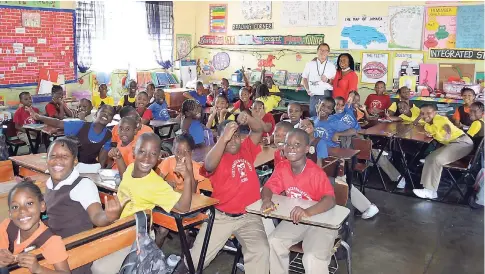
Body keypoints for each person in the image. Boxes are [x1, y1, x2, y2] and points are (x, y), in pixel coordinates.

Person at [189, 112, 269, 274]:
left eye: (236, 136)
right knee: (194, 261)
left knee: (261, 251)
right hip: (221, 217)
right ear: (219, 137)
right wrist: (224, 138)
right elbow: (209, 165)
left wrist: (248, 118)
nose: (233, 140)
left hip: (250, 216)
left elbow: (258, 130)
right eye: (228, 137)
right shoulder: (216, 156)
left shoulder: (246, 148)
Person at [44, 137, 125, 274]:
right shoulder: (50, 183)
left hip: (75, 252)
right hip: (54, 246)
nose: (58, 160)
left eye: (65, 156)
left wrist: (108, 216)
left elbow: (96, 216)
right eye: (53, 156)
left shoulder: (83, 185)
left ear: (75, 161)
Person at [262, 128, 337, 274]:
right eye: (288, 144)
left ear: (307, 149)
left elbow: (330, 200)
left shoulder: (315, 173)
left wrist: (307, 212)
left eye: (297, 145)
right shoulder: (282, 167)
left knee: (312, 257)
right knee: (274, 242)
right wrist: (266, 199)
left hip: (321, 221)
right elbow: (268, 187)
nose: (291, 148)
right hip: (297, 220)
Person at [117, 133, 193, 249]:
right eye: (142, 151)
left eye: (153, 154)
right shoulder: (131, 167)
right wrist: (119, 159)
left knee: (99, 267)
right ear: (134, 151)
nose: (147, 158)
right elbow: (126, 179)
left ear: (158, 157)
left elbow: (183, 208)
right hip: (118, 226)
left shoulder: (156, 185)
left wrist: (187, 178)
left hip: (135, 236)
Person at [0, 179, 70, 274]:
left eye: (29, 203)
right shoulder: (6, 226)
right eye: (15, 207)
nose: (22, 211)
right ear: (10, 214)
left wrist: (39, 269)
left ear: (42, 206)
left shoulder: (51, 241)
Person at [413, 104, 474, 199]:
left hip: (462, 143)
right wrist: (419, 117)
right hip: (452, 144)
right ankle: (427, 188)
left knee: (437, 160)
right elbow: (415, 123)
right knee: (429, 158)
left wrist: (448, 133)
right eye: (422, 113)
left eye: (428, 113)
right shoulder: (427, 124)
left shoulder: (439, 119)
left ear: (435, 113)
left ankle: (431, 191)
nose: (425, 115)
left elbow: (446, 126)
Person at [31, 104, 115, 169]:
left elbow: (103, 156)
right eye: (103, 112)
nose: (106, 115)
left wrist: (101, 169)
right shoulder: (81, 125)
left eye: (110, 114)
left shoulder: (108, 135)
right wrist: (39, 117)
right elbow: (58, 123)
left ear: (111, 119)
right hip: (70, 164)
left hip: (88, 167)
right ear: (96, 114)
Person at [301, 43, 337, 117]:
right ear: (317, 51)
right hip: (314, 93)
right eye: (321, 50)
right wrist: (307, 89)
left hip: (327, 94)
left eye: (325, 50)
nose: (323, 52)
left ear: (328, 53)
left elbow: (335, 82)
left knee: (326, 115)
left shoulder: (332, 66)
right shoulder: (309, 64)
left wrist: (327, 80)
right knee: (314, 114)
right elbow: (304, 78)